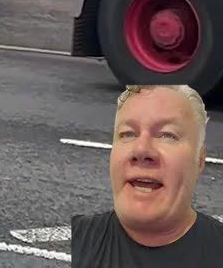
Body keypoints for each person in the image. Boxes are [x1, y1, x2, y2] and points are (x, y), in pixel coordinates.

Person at [71, 84, 223, 266]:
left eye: (167, 135)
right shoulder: (78, 238)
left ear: (199, 160)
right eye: (127, 134)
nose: (141, 149)